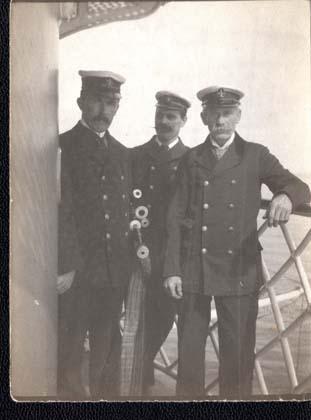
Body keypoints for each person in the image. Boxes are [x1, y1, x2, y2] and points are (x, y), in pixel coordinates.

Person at [163, 86, 311, 398]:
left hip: (238, 269)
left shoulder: (256, 155)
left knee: (238, 359)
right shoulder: (191, 159)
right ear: (204, 117)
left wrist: (284, 196)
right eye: (214, 113)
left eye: (227, 113)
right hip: (193, 270)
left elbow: (299, 186)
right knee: (189, 358)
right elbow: (174, 218)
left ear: (238, 116)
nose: (220, 119)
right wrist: (172, 269)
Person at [57, 70, 132, 399]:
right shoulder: (62, 147)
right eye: (97, 101)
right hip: (79, 271)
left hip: (113, 271)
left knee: (106, 347)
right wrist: (67, 265)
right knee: (70, 347)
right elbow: (61, 210)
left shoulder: (122, 154)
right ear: (81, 103)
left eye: (111, 103)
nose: (104, 110)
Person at [131, 91, 191, 393]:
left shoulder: (191, 160)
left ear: (183, 121)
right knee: (132, 323)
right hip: (134, 254)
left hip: (170, 260)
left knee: (162, 319)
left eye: (171, 117)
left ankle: (142, 371)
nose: (164, 121)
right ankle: (137, 379)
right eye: (160, 115)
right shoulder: (135, 155)